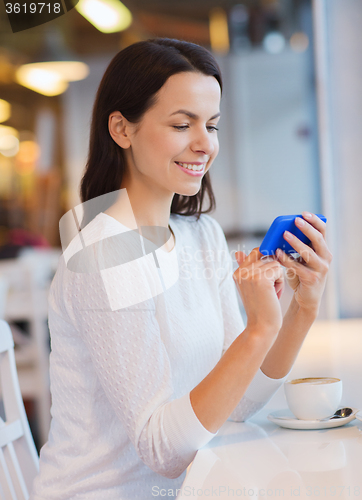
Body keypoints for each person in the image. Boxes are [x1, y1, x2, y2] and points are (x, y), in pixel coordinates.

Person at [30, 38, 332, 500]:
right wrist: (256, 330)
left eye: (210, 124)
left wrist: (301, 310)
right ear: (121, 129)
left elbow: (237, 404)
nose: (203, 143)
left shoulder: (201, 236)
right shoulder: (105, 250)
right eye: (180, 124)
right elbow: (162, 450)